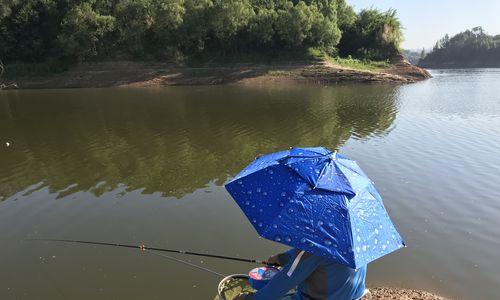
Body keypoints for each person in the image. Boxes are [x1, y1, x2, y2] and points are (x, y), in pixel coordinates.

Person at [234, 248, 368, 300]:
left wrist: (249, 299)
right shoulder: (354, 239)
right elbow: (302, 256)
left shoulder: (316, 247)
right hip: (354, 296)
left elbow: (284, 281)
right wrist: (281, 258)